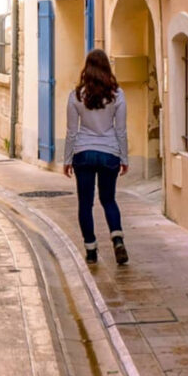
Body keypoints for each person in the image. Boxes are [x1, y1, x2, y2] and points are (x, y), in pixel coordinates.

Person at [63, 49, 129, 266]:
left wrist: (67, 159)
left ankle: (91, 250)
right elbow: (121, 130)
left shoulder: (76, 95)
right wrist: (124, 157)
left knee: (85, 203)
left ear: (87, 69)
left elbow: (72, 131)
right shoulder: (117, 94)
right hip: (109, 152)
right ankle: (117, 239)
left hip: (83, 152)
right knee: (108, 199)